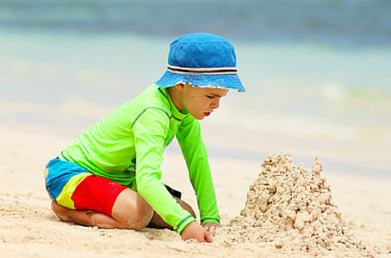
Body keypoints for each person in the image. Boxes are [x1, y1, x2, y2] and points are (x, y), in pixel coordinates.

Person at [43, 33, 245, 243]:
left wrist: (210, 216)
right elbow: (147, 179)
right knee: (138, 215)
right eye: (210, 97)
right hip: (71, 175)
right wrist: (184, 226)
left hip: (119, 180)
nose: (216, 106)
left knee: (187, 212)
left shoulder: (184, 109)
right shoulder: (153, 111)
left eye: (221, 97)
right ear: (181, 84)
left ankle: (116, 204)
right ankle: (65, 210)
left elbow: (198, 161)